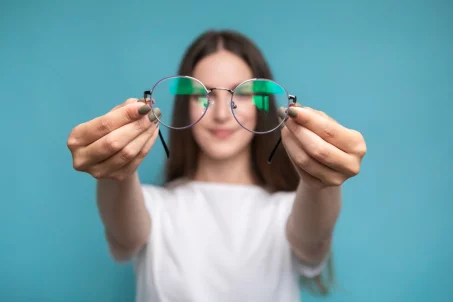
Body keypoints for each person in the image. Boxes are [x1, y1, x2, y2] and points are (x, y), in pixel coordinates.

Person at [67, 29, 367, 301]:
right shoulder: (153, 208)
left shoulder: (288, 212)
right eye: (204, 94)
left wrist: (321, 178)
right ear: (184, 104)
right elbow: (124, 231)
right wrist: (114, 168)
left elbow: (313, 236)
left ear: (263, 104)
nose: (222, 114)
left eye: (243, 94)